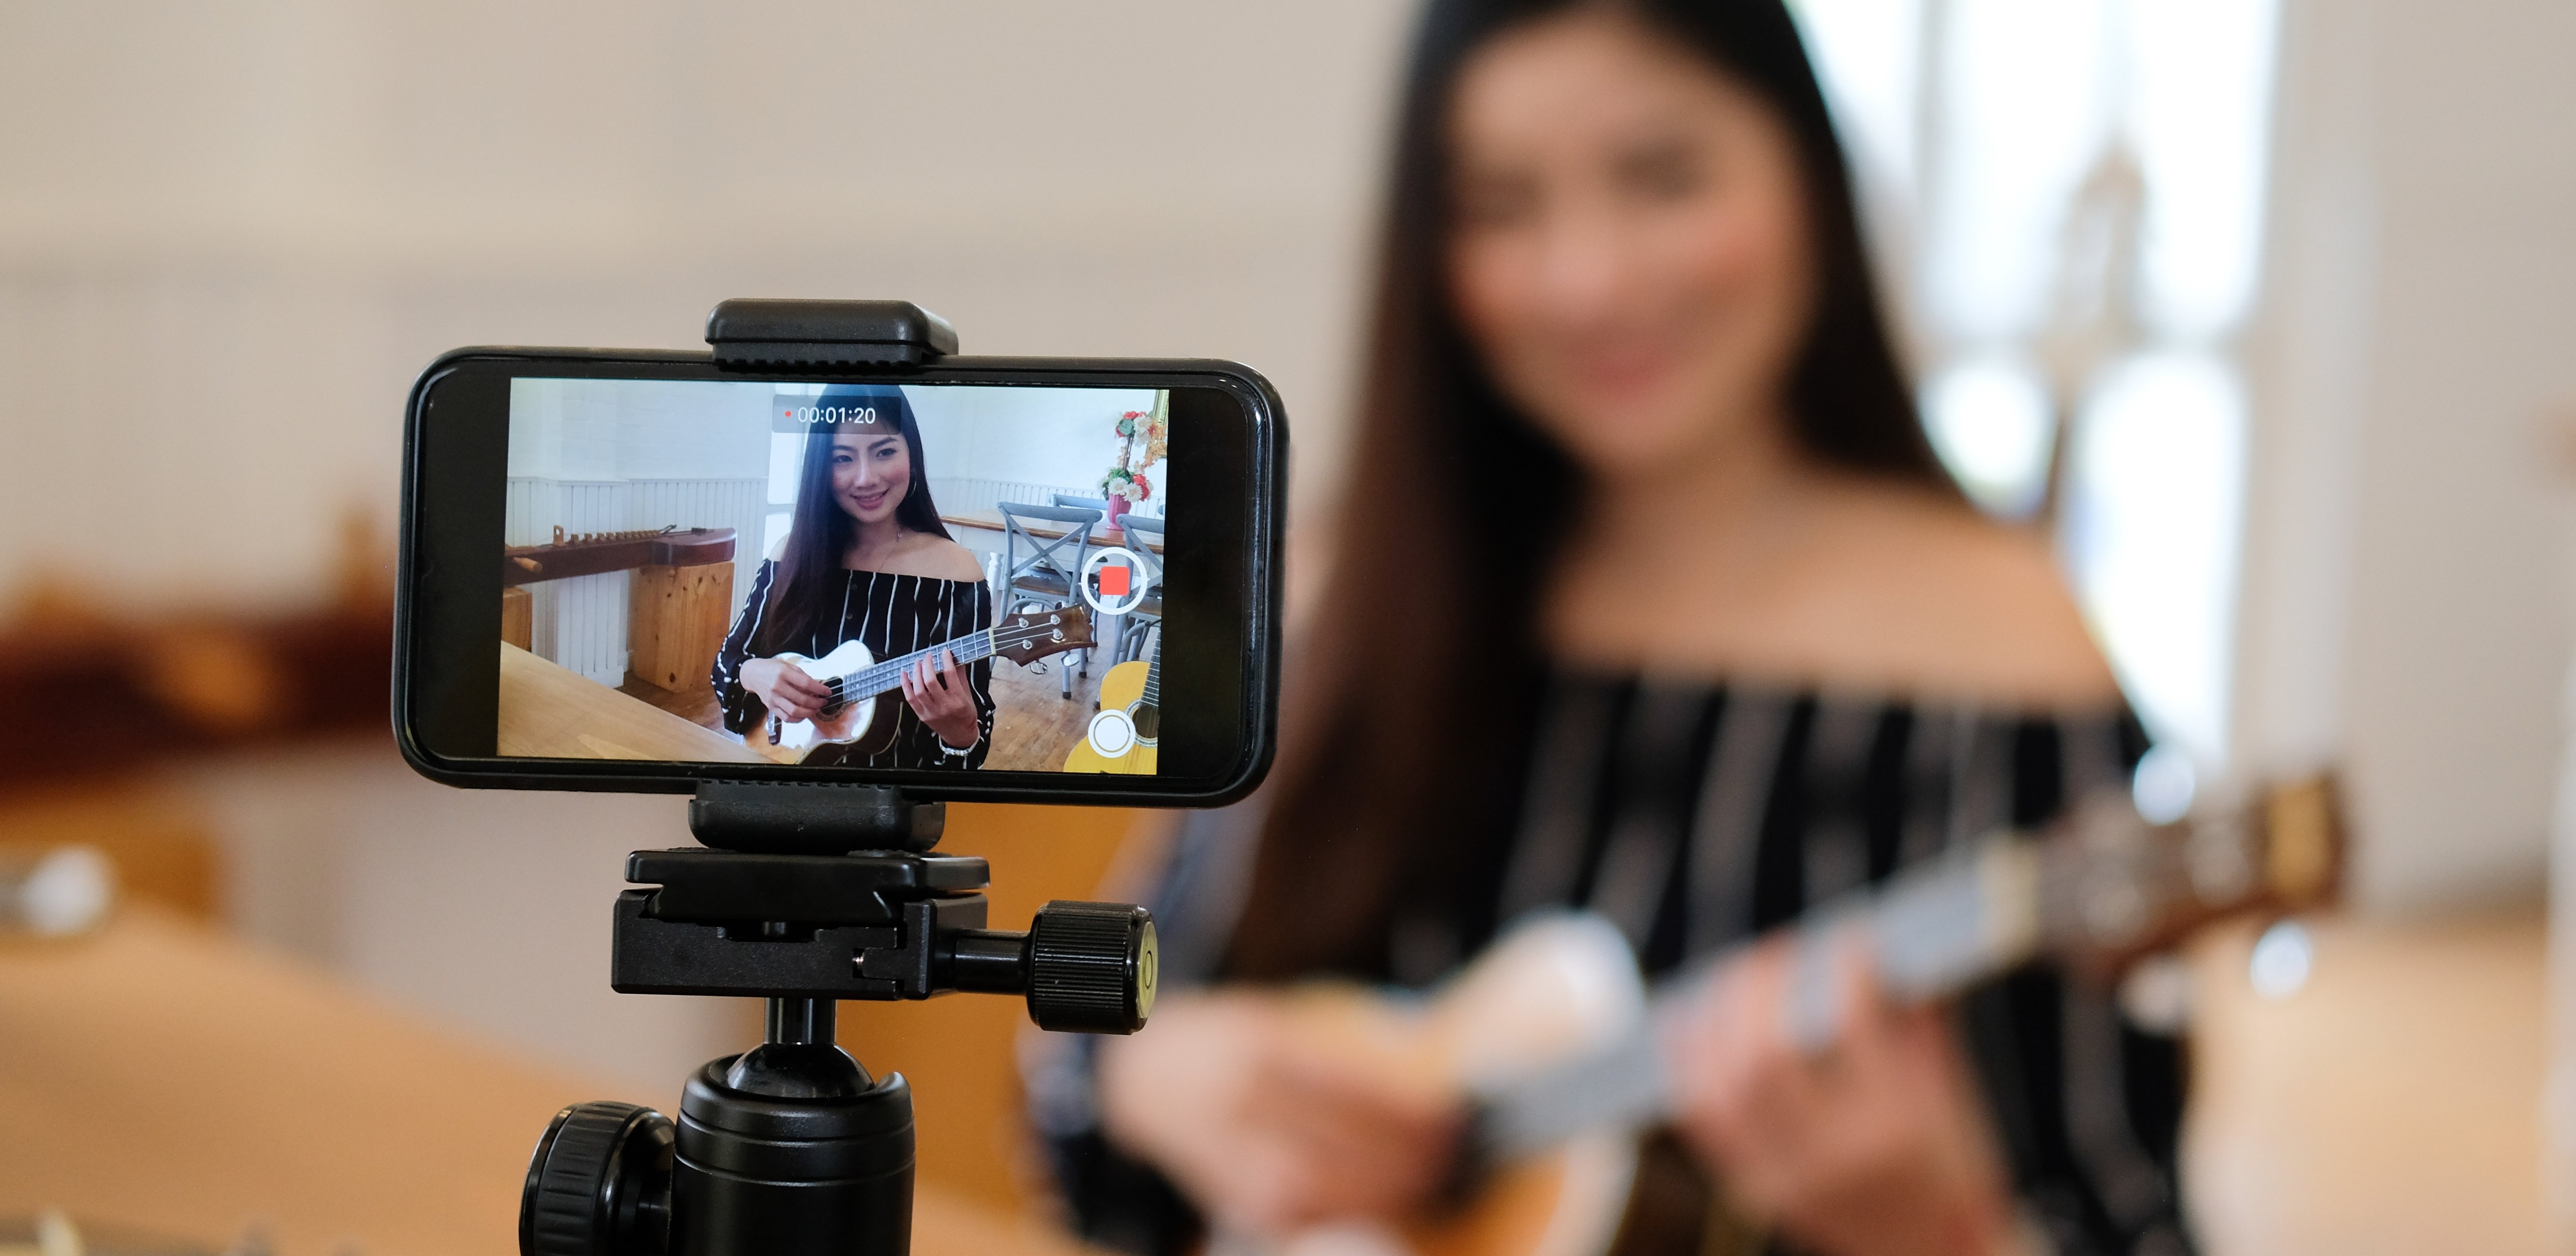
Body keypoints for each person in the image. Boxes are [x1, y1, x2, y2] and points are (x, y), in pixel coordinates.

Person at [1034, 2, 2190, 1253]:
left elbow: (2132, 1217)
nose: (1587, 279)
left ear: (1808, 173)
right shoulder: (1345, 589)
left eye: (1664, 176)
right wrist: (1156, 1080)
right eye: (1499, 205)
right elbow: (1086, 1075)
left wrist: (1945, 1230)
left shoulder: (2005, 655)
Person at [713, 384, 996, 770]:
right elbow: (727, 662)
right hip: (780, 782)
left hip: (893, 802)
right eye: (842, 458)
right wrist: (753, 673)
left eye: (884, 452)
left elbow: (972, 741)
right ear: (820, 468)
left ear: (911, 451)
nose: (865, 478)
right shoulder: (789, 554)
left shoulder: (957, 574)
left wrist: (960, 732)